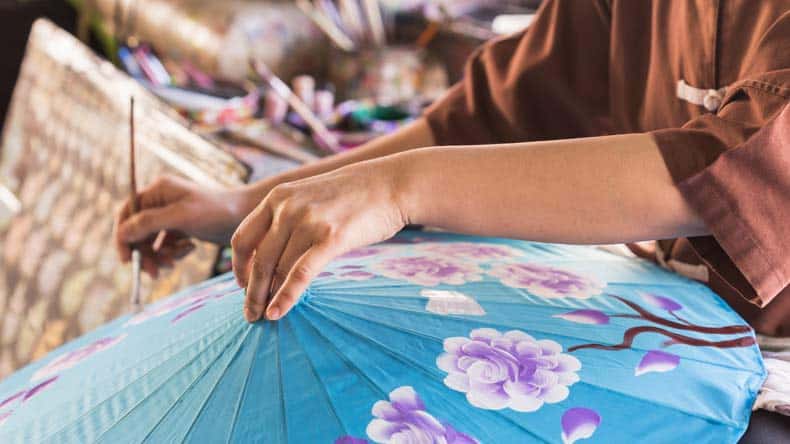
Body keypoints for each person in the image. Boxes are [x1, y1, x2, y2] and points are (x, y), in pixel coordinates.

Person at [115, 0, 789, 334]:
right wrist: (252, 203)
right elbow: (492, 117)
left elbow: (739, 168)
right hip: (666, 321)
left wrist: (404, 189)